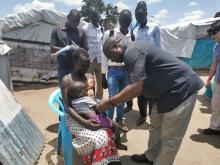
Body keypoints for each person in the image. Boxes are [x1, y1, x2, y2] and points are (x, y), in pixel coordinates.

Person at [96, 36, 204, 165]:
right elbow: (136, 87)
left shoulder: (132, 52)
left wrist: (109, 102)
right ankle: (150, 157)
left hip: (180, 91)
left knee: (170, 138)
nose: (111, 60)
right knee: (156, 128)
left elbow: (136, 88)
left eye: (110, 55)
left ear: (116, 46)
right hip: (162, 96)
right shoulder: (132, 53)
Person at [61, 48, 121, 164]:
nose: (85, 69)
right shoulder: (66, 80)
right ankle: (98, 161)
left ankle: (110, 160)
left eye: (87, 66)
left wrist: (99, 112)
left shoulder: (90, 77)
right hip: (76, 117)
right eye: (82, 65)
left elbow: (92, 101)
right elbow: (68, 107)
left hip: (92, 115)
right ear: (74, 62)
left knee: (109, 131)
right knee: (100, 138)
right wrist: (85, 122)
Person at [101, 9, 133, 132]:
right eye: (122, 20)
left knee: (123, 98)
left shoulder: (132, 35)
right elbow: (103, 54)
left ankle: (119, 120)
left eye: (127, 21)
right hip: (113, 71)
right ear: (119, 20)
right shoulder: (109, 33)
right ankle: (109, 124)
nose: (124, 23)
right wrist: (103, 75)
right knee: (112, 98)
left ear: (130, 21)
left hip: (126, 71)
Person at [132, 4, 162, 126]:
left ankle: (153, 119)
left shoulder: (155, 27)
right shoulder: (135, 30)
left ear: (146, 14)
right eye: (137, 18)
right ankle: (142, 115)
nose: (139, 20)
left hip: (152, 65)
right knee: (141, 93)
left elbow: (159, 47)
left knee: (152, 95)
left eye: (141, 17)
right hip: (139, 66)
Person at [50, 9, 88, 84]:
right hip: (63, 68)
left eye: (77, 22)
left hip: (78, 69)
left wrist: (78, 50)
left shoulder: (82, 32)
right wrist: (67, 49)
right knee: (65, 92)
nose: (75, 24)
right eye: (73, 21)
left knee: (78, 92)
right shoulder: (57, 30)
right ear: (68, 17)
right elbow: (52, 48)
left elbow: (86, 49)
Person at [203, 20, 220, 135]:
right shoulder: (216, 46)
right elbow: (214, 64)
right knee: (216, 104)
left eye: (214, 34)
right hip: (219, 80)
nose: (213, 37)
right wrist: (209, 79)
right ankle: (215, 127)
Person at [83, 7, 103, 99]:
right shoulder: (85, 28)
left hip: (99, 60)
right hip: (90, 61)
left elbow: (101, 43)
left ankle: (99, 104)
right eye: (93, 16)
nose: (96, 18)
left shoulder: (100, 29)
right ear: (90, 17)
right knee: (90, 84)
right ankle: (91, 104)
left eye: (97, 16)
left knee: (100, 85)